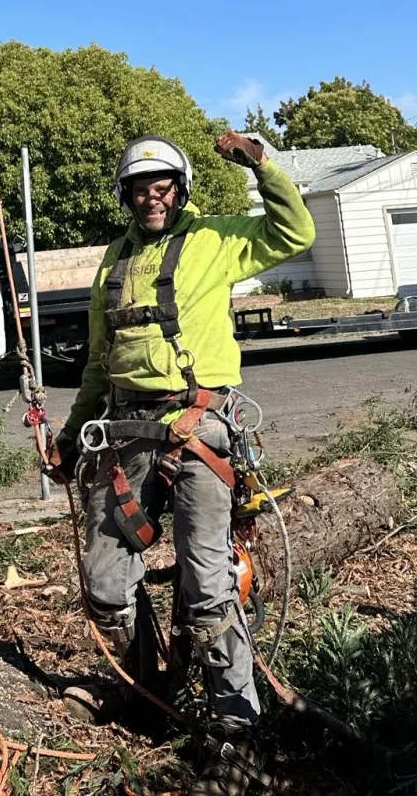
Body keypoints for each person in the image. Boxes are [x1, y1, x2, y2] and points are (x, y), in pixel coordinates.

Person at [47, 131, 315, 754]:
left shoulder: (216, 240)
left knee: (206, 584)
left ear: (181, 186)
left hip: (198, 431)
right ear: (127, 195)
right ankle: (146, 691)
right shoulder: (113, 262)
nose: (151, 197)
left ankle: (235, 717)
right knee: (106, 583)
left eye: (161, 185)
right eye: (140, 188)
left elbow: (295, 233)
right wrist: (68, 436)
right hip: (121, 440)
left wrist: (263, 166)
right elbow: (97, 363)